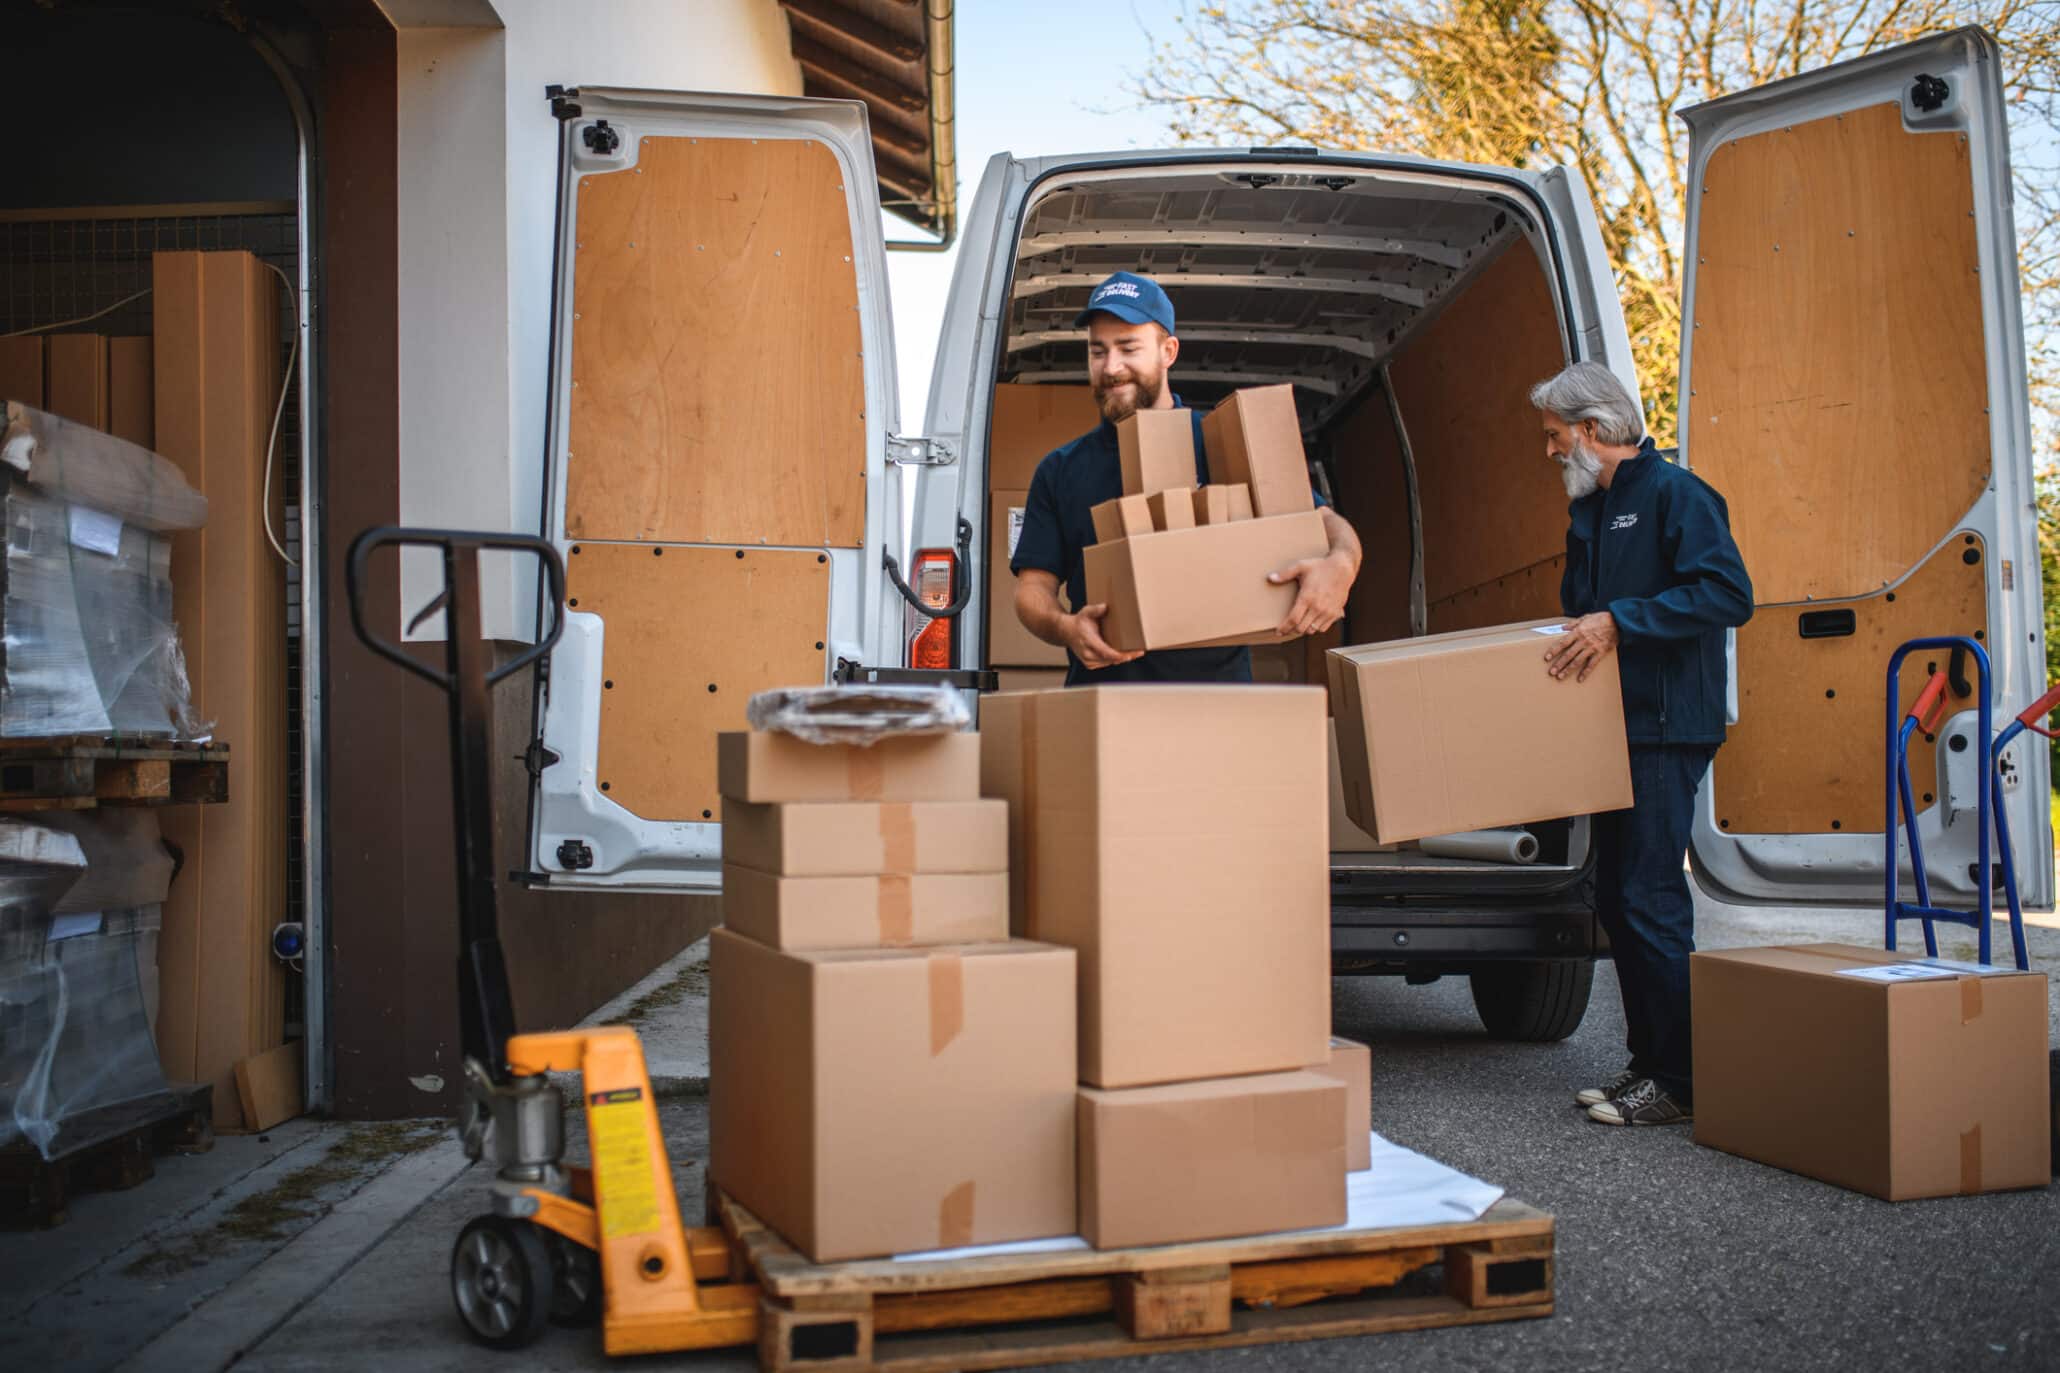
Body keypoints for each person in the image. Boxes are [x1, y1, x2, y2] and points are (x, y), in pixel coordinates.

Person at [1532, 361, 1754, 1127]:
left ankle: (1682, 1079)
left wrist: (1620, 620)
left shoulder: (1676, 494)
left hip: (1666, 728)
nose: (1552, 451)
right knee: (1619, 902)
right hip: (1612, 733)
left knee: (1650, 897)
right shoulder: (1592, 510)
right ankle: (1648, 1064)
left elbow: (1729, 594)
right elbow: (1586, 614)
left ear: (1593, 431)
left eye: (1557, 436)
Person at [1009, 271, 1362, 684]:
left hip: (1216, 703)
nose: (1111, 367)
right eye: (1098, 351)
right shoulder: (1061, 469)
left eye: (1128, 348)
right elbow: (1032, 590)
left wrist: (1341, 566)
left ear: (1168, 351)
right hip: (1105, 703)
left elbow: (1327, 523)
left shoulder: (1219, 439)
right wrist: (1065, 628)